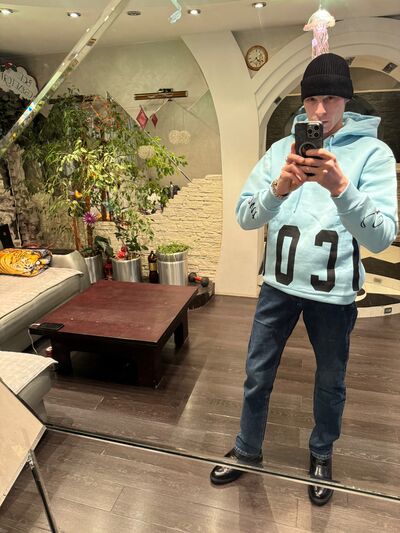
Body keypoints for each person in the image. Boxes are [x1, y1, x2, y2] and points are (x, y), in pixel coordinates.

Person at [210, 53, 398, 505]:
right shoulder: (281, 150)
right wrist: (279, 189)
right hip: (277, 286)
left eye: (330, 98)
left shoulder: (374, 154)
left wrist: (341, 188)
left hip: (334, 294)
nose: (319, 110)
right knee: (256, 373)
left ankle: (321, 455)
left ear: (346, 100)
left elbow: (381, 237)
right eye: (311, 99)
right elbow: (245, 217)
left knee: (331, 382)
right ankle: (247, 449)